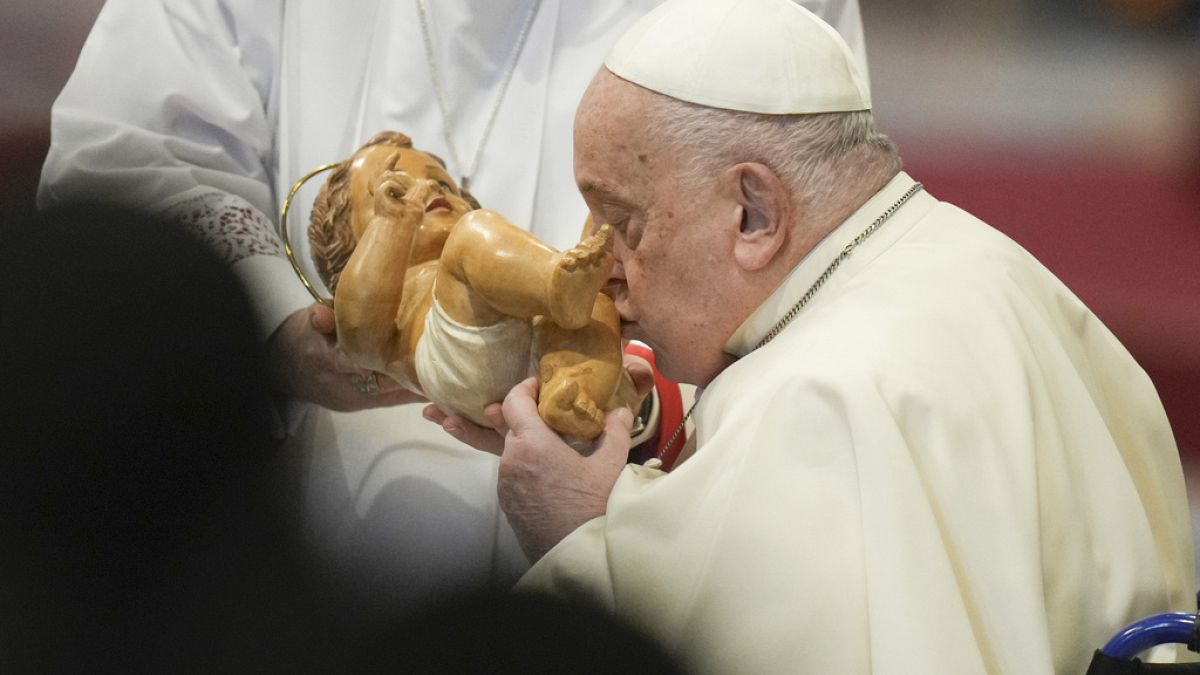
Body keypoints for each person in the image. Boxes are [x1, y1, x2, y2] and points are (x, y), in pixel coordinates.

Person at [38, 0, 870, 609]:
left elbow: (798, 232)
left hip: (631, 546)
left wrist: (646, 402)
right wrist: (280, 330)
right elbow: (134, 159)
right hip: (312, 551)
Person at [481, 0, 1198, 672]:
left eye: (624, 223)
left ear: (754, 214)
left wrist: (576, 532)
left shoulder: (818, 398)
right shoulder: (998, 268)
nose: (602, 269)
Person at [310, 130, 636, 439]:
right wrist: (393, 224)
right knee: (473, 234)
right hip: (455, 359)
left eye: (444, 184)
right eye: (396, 189)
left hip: (536, 345)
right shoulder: (404, 296)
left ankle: (570, 394)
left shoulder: (490, 266)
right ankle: (559, 286)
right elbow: (359, 337)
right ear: (351, 249)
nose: (431, 190)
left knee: (597, 308)